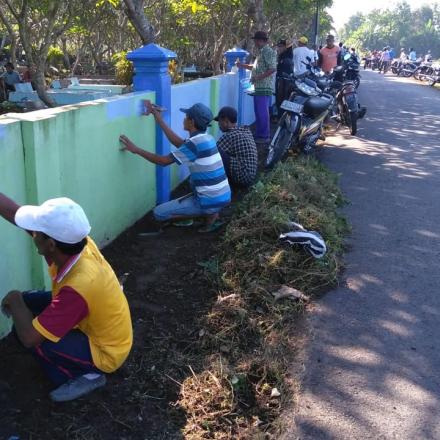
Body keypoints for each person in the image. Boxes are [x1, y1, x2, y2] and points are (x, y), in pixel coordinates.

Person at [0, 194, 133, 402]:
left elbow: (29, 338)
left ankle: (87, 374)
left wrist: (15, 298)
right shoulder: (76, 243)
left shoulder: (78, 287)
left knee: (29, 334)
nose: (31, 233)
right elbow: (15, 212)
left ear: (50, 244)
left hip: (106, 351)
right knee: (28, 306)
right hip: (97, 322)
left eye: (36, 232)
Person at [119, 102, 231, 232]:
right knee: (193, 180)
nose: (184, 119)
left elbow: (163, 161)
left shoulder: (193, 144)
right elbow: (177, 142)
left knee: (159, 213)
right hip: (223, 196)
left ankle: (208, 213)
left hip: (211, 200)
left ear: (192, 122)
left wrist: (136, 149)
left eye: (186, 117)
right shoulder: (207, 139)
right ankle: (210, 211)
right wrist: (157, 117)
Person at [236, 31, 277, 144]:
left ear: (261, 41)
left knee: (262, 112)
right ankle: (260, 134)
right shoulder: (261, 52)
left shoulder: (268, 51)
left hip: (263, 86)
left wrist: (258, 78)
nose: (255, 42)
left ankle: (264, 136)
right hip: (259, 87)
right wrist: (242, 65)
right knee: (259, 111)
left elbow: (272, 68)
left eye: (256, 40)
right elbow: (255, 68)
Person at [214, 106, 257, 188]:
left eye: (219, 121)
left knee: (216, 152)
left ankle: (217, 185)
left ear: (226, 121)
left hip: (244, 177)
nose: (219, 125)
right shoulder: (243, 131)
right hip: (250, 175)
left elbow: (212, 152)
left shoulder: (230, 135)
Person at [275, 38, 293, 118]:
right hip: (281, 81)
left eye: (281, 46)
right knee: (279, 101)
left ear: (285, 47)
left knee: (282, 100)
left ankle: (282, 119)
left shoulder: (286, 57)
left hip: (284, 82)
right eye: (278, 46)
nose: (279, 48)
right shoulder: (282, 56)